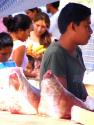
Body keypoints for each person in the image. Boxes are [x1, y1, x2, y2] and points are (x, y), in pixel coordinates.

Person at [40, 2, 92, 106]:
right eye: (86, 26)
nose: (91, 31)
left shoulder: (77, 51)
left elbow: (79, 87)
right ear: (73, 26)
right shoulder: (56, 54)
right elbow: (61, 99)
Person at [26, 12, 53, 79]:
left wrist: (41, 57)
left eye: (43, 27)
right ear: (33, 22)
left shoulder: (50, 40)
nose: (39, 29)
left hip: (42, 76)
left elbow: (54, 60)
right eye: (37, 25)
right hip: (27, 74)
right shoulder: (26, 36)